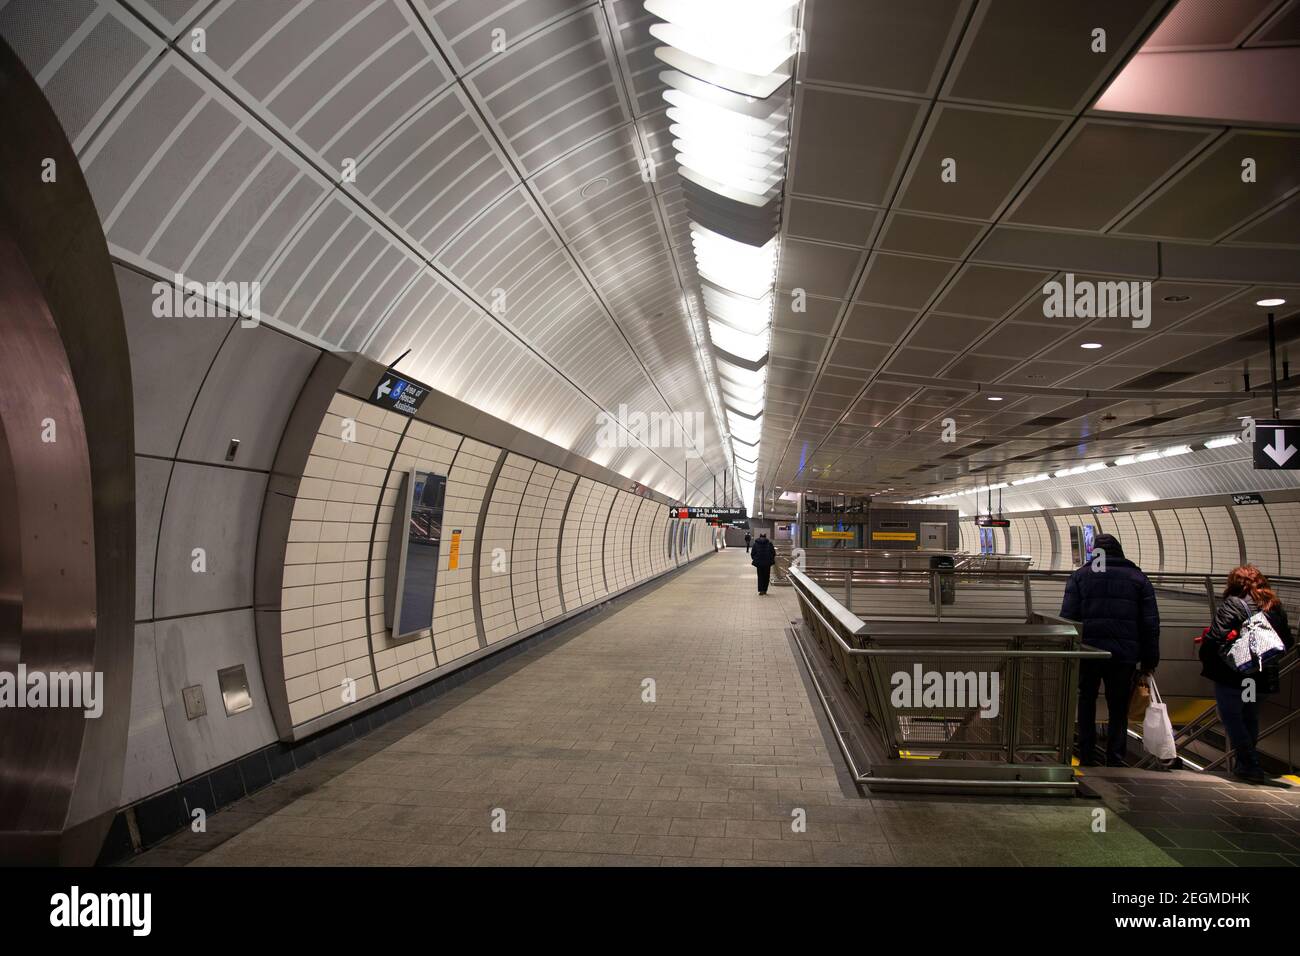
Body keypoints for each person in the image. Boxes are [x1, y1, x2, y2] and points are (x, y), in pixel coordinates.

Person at [1060, 533, 1160, 766]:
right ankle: (1115, 757)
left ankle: (1086, 753)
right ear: (1120, 551)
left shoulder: (1080, 576)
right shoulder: (1138, 578)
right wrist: (1149, 660)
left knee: (1086, 700)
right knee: (1118, 705)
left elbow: (1068, 617)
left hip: (1087, 652)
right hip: (1123, 656)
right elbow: (1150, 623)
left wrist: (1068, 650)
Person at [1199, 565, 1293, 784]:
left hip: (1236, 674)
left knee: (1231, 717)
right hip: (1260, 676)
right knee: (1249, 716)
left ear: (1234, 583)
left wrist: (1208, 657)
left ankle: (1250, 764)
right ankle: (1245, 764)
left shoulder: (1234, 603)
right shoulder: (1274, 606)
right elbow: (1287, 640)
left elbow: (1215, 638)